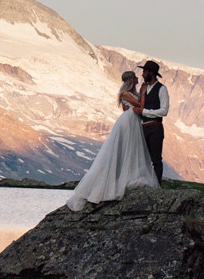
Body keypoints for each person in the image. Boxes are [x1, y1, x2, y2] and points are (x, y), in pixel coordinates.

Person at [66, 71, 160, 211]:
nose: (137, 78)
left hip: (133, 122)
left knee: (132, 149)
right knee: (126, 148)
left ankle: (127, 175)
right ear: (131, 80)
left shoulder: (130, 93)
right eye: (134, 77)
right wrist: (143, 92)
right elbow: (141, 106)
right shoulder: (126, 94)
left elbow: (129, 107)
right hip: (129, 122)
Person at [138, 60, 168, 181]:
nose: (142, 74)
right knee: (143, 158)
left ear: (151, 73)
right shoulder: (144, 89)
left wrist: (145, 112)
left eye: (144, 71)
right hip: (143, 127)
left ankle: (157, 185)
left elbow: (164, 111)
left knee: (156, 159)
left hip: (155, 128)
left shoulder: (162, 89)